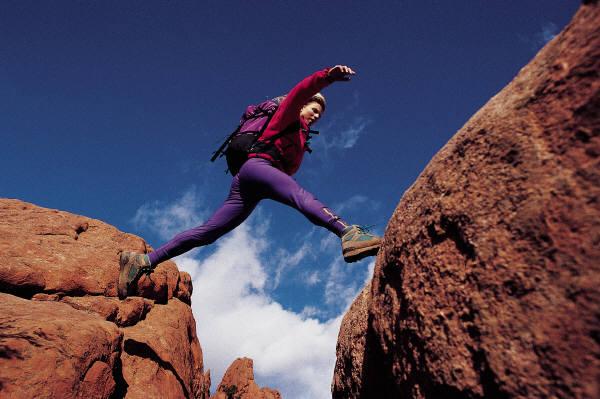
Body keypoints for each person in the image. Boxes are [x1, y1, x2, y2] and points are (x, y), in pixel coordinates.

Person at [118, 65, 381, 298]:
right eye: (313, 110)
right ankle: (348, 232)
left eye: (319, 116)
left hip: (250, 182)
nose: (315, 116)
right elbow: (301, 90)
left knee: (210, 231)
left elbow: (288, 168)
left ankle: (143, 261)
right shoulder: (288, 114)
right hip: (258, 168)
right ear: (303, 106)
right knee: (300, 196)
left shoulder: (300, 137)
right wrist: (327, 77)